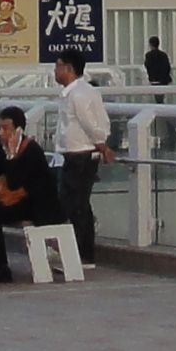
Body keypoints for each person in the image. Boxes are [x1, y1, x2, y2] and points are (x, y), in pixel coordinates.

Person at [0, 107, 60, 281]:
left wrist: (12, 156)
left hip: (34, 203)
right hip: (15, 200)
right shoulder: (2, 147)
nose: (1, 132)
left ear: (18, 130)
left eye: (5, 128)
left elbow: (16, 183)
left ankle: (0, 268)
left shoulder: (31, 150)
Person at [49, 56, 112, 266]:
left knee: (74, 204)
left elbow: (90, 122)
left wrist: (101, 145)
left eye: (57, 66)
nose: (55, 71)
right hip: (73, 154)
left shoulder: (78, 94)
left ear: (68, 68)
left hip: (81, 155)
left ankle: (83, 254)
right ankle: (81, 252)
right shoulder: (77, 92)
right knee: (78, 204)